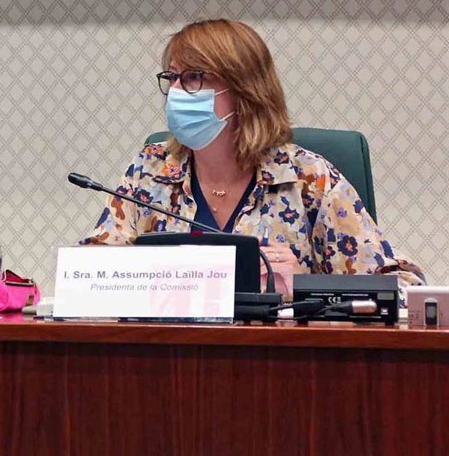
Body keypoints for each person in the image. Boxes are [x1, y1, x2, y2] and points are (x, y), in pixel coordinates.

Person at [81, 18, 423, 295]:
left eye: (194, 77)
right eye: (172, 77)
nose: (175, 91)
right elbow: (89, 279)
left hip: (279, 356)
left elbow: (405, 289)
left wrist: (305, 286)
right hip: (172, 355)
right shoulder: (150, 170)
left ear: (245, 89)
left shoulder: (308, 178)